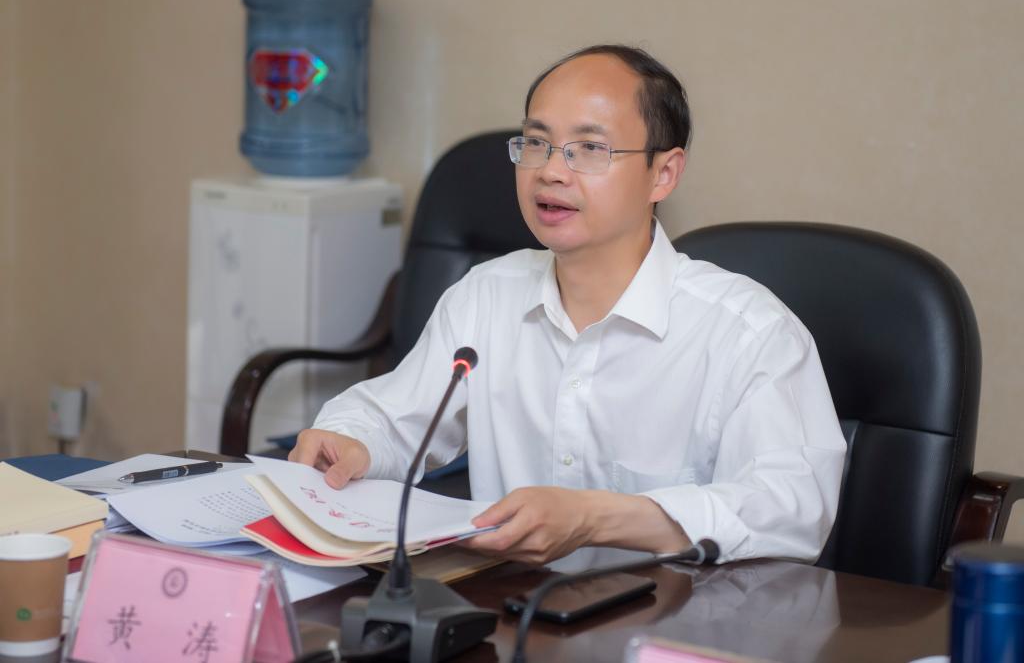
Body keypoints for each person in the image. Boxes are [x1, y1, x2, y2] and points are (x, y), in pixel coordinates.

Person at [289, 44, 847, 566]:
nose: (551, 171)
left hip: (673, 619)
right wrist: (350, 441)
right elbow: (391, 418)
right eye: (536, 143)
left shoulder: (749, 333)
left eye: (590, 149)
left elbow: (791, 508)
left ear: (663, 173)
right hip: (506, 611)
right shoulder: (486, 295)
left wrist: (598, 517)